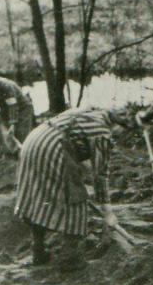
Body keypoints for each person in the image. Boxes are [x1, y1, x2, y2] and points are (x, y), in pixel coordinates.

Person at [14, 107, 131, 269]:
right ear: (117, 126)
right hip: (53, 148)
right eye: (120, 133)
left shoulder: (91, 112)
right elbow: (100, 175)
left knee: (38, 196)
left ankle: (38, 251)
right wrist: (108, 213)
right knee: (75, 198)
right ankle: (71, 258)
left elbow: (80, 155)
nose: (117, 139)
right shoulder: (103, 133)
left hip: (34, 141)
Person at [0, 70, 34, 153]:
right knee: (9, 134)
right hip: (6, 109)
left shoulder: (6, 86)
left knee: (21, 133)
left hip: (23, 108)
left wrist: (13, 123)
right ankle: (15, 153)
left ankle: (26, 153)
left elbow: (13, 106)